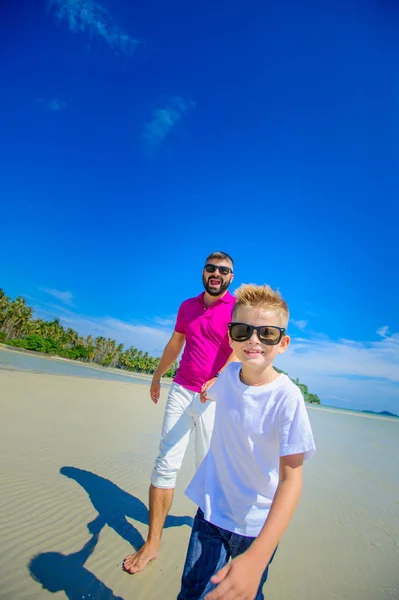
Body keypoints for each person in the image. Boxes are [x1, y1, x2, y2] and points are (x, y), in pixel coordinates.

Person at [177, 284, 316, 600]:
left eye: (267, 333)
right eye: (242, 330)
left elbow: (291, 481)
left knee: (244, 594)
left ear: (283, 343)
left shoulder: (287, 398)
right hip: (211, 510)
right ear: (231, 337)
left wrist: (258, 557)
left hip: (255, 526)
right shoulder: (227, 377)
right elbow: (215, 385)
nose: (253, 339)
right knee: (191, 592)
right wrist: (206, 387)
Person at [123, 251, 237, 574]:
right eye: (211, 268)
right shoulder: (187, 306)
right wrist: (158, 375)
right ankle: (153, 542)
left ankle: (212, 553)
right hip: (181, 391)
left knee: (210, 473)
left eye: (224, 270)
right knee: (165, 464)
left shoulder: (236, 309)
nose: (216, 273)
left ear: (231, 277)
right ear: (204, 272)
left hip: (213, 399)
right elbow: (176, 344)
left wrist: (219, 378)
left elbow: (240, 351)